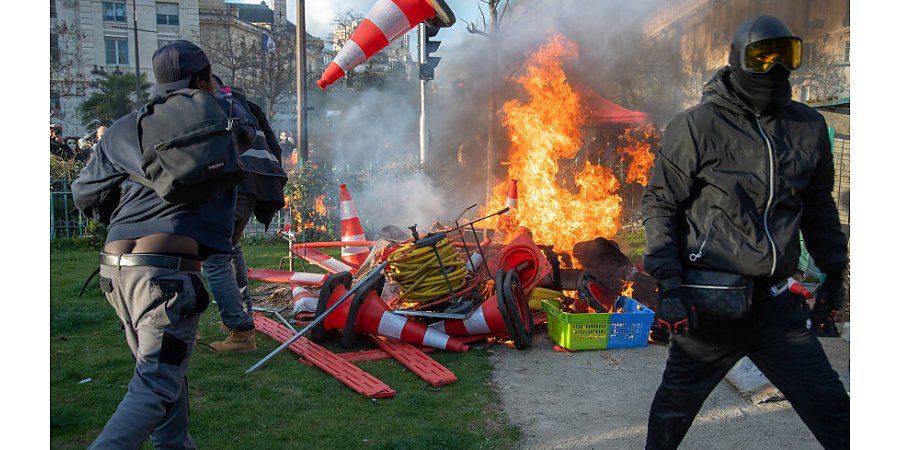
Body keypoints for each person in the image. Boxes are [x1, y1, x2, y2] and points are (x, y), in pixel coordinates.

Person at [640, 15, 849, 450]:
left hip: (777, 308)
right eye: (762, 56)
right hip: (709, 305)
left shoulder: (808, 127)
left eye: (785, 55)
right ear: (738, 60)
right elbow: (661, 205)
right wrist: (670, 283)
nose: (774, 68)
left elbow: (818, 206)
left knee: (833, 408)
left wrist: (834, 273)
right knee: (672, 411)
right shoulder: (696, 126)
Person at [72, 40, 237, 449]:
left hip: (115, 270)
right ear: (204, 79)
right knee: (156, 383)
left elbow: (83, 193)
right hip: (165, 274)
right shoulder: (219, 119)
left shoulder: (125, 126)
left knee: (161, 371)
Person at [201, 76, 286, 353]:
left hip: (236, 182)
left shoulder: (211, 103)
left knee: (214, 256)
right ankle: (242, 316)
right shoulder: (244, 104)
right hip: (259, 181)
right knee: (230, 247)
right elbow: (275, 145)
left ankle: (239, 329)